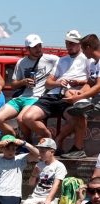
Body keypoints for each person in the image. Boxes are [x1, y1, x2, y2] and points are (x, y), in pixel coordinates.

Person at [22, 30, 90, 158]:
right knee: (27, 117)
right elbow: (48, 83)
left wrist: (78, 82)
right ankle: (49, 137)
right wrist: (59, 83)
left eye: (72, 43)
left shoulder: (87, 58)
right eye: (67, 43)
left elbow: (92, 81)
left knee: (78, 117)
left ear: (79, 44)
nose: (69, 46)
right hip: (53, 95)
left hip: (71, 95)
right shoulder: (61, 60)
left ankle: (58, 140)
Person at [0, 34, 59, 141]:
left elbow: (65, 68)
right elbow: (13, 84)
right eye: (34, 47)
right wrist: (23, 82)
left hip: (37, 96)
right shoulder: (21, 62)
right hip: (22, 97)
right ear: (27, 49)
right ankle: (16, 138)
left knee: (21, 119)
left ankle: (29, 142)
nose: (38, 49)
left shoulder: (52, 59)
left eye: (39, 46)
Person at [19, 138, 67, 204]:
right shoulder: (39, 164)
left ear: (52, 152)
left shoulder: (59, 166)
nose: (40, 153)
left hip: (50, 197)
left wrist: (48, 200)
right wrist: (33, 174)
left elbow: (56, 184)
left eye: (43, 151)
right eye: (39, 150)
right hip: (36, 195)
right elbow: (31, 184)